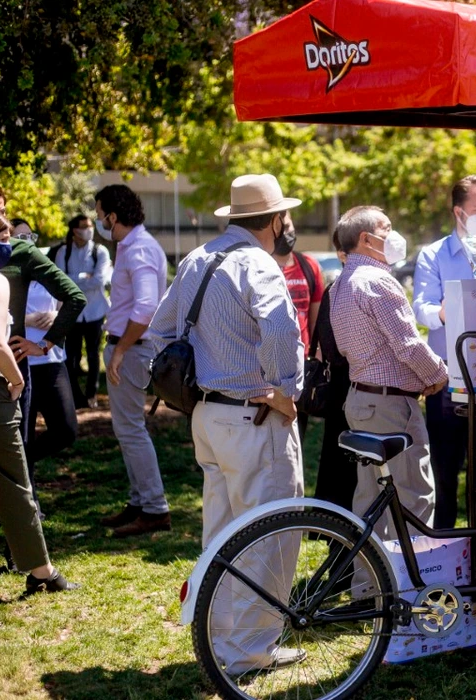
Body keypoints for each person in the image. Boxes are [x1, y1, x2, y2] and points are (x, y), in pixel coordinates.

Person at [149, 173, 305, 675]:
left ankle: (218, 640)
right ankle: (249, 651)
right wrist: (288, 391)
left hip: (208, 415)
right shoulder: (256, 263)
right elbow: (281, 326)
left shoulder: (198, 258)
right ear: (276, 221)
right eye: (288, 217)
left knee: (222, 532)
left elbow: (160, 331)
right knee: (270, 535)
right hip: (251, 415)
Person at [412, 175, 476, 529]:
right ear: (459, 213)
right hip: (447, 381)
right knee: (445, 476)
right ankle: (443, 558)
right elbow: (421, 310)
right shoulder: (434, 255)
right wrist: (451, 308)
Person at [335, 205, 447, 539]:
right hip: (391, 407)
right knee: (414, 497)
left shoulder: (343, 281)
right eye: (387, 228)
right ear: (366, 239)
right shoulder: (378, 281)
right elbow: (408, 345)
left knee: (370, 503)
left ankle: (370, 585)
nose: (394, 234)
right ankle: (411, 586)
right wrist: (438, 375)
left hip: (363, 400)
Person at [0, 213, 79, 595]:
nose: (11, 241)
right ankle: (42, 571)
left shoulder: (17, 261)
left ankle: (35, 566)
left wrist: (43, 344)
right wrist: (16, 377)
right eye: (4, 235)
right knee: (14, 482)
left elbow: (74, 298)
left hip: (5, 377)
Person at [93, 184, 171, 537]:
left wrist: (121, 350)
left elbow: (145, 307)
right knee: (128, 431)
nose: (97, 221)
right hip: (132, 345)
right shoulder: (133, 245)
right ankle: (141, 501)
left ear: (113, 215)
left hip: (133, 348)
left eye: (99, 214)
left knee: (131, 431)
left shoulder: (138, 249)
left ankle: (154, 508)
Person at [0, 184, 86, 450]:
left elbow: (75, 297)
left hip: (11, 368)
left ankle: (27, 492)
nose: (3, 224)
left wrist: (45, 344)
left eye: (3, 213)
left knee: (17, 449)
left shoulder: (21, 252)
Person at [23, 281, 78, 513]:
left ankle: (16, 466)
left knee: (65, 430)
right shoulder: (1, 269)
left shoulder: (47, 270)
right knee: (23, 435)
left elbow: (72, 301)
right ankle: (28, 506)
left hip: (52, 361)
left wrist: (56, 314)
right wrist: (26, 319)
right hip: (19, 363)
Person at [312, 232, 356, 512]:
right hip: (347, 392)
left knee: (342, 471)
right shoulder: (341, 290)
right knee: (347, 473)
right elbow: (327, 346)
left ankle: (341, 540)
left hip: (343, 393)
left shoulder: (335, 290)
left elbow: (323, 346)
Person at [52, 215, 112, 409]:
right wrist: (83, 277)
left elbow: (99, 280)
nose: (89, 230)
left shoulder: (99, 251)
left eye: (90, 226)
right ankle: (75, 396)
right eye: (84, 227)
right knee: (72, 355)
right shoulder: (64, 251)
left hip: (95, 311)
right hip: (73, 313)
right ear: (74, 231)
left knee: (94, 354)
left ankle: (91, 394)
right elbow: (61, 281)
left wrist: (74, 281)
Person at [271, 219, 323, 437]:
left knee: (296, 435)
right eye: (282, 227)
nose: (287, 232)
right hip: (268, 368)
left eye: (290, 225)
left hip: (301, 369)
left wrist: (318, 357)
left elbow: (316, 321)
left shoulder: (309, 266)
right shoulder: (260, 267)